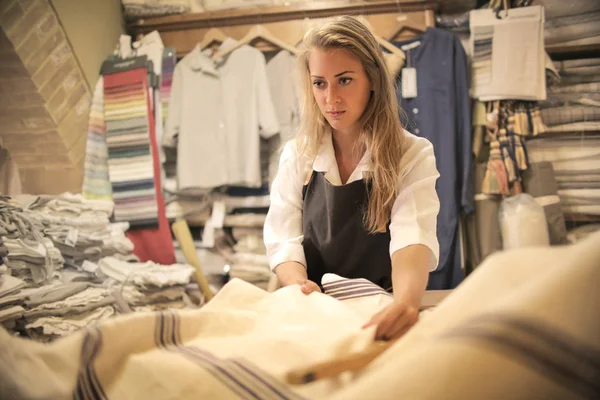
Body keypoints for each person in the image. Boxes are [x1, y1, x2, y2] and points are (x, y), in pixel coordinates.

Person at [263, 16, 441, 341]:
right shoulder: (297, 155)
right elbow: (283, 241)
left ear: (372, 78)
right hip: (314, 314)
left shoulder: (411, 154)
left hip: (378, 310)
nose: (331, 98)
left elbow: (412, 236)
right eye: (320, 83)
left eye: (344, 80)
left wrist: (405, 304)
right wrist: (300, 286)